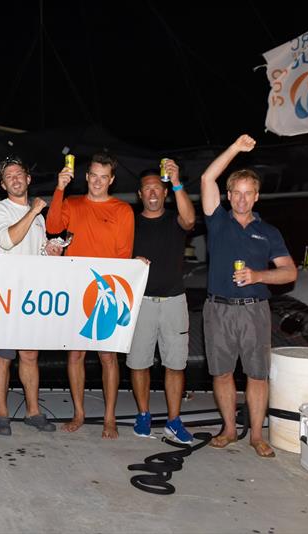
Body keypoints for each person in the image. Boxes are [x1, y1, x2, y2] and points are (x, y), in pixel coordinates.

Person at [200, 134, 297, 458]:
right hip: (219, 309)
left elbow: (289, 271)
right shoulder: (217, 221)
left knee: (257, 374)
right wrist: (234, 149)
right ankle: (229, 429)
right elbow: (206, 177)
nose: (241, 200)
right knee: (222, 372)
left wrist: (258, 275)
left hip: (255, 309)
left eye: (248, 194)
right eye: (236, 193)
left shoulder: (269, 232)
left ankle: (257, 435)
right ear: (228, 195)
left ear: (256, 197)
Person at [46, 152, 134, 439]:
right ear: (86, 177)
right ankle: (79, 413)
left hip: (106, 289)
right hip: (76, 289)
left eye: (103, 177)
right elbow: (53, 227)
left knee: (108, 356)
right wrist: (59, 188)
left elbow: (124, 255)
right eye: (93, 175)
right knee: (75, 354)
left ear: (111, 179)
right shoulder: (71, 203)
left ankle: (110, 417)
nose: (97, 181)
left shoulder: (123, 210)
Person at [0, 156, 59, 436]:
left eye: (20, 174)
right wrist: (34, 211)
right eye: (9, 177)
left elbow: (35, 252)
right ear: (4, 185)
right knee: (3, 355)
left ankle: (33, 411)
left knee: (29, 355)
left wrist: (49, 250)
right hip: (5, 294)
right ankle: (1, 413)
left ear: (28, 179)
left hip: (31, 297)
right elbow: (6, 240)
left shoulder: (38, 218)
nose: (16, 179)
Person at [127, 162, 195, 444]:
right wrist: (129, 262)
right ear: (140, 194)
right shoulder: (131, 222)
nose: (152, 191)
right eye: (147, 188)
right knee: (139, 362)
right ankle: (143, 415)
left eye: (158, 187)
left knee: (175, 364)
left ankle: (173, 420)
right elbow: (115, 254)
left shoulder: (175, 220)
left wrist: (177, 181)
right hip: (140, 302)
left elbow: (190, 220)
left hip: (174, 301)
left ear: (165, 192)